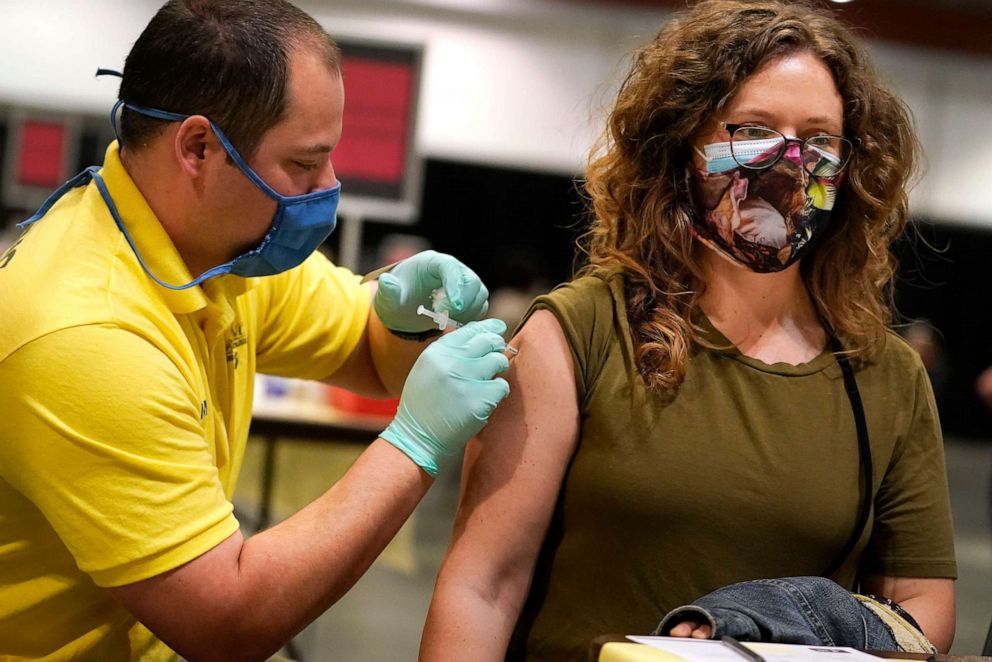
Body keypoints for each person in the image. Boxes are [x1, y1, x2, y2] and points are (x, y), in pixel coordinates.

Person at [419, 1, 957, 660]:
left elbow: (922, 610)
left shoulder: (886, 377)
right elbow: (483, 587)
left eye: (818, 138)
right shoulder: (579, 332)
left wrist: (796, 617)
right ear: (683, 145)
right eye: (756, 128)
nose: (789, 161)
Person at [0, 1, 511, 659]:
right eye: (303, 164)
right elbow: (225, 621)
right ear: (198, 147)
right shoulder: (85, 334)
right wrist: (412, 445)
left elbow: (365, 349)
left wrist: (400, 320)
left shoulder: (218, 251)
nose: (328, 187)